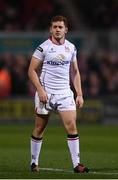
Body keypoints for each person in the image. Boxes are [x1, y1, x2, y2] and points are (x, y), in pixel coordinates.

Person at [28, 15, 89, 173]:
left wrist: (79, 94)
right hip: (46, 94)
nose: (57, 29)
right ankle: (34, 162)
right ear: (50, 29)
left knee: (72, 126)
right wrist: (40, 90)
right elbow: (31, 71)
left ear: (66, 30)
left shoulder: (71, 48)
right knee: (39, 128)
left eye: (60, 27)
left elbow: (75, 72)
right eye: (54, 27)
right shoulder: (43, 48)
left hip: (64, 94)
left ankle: (77, 164)